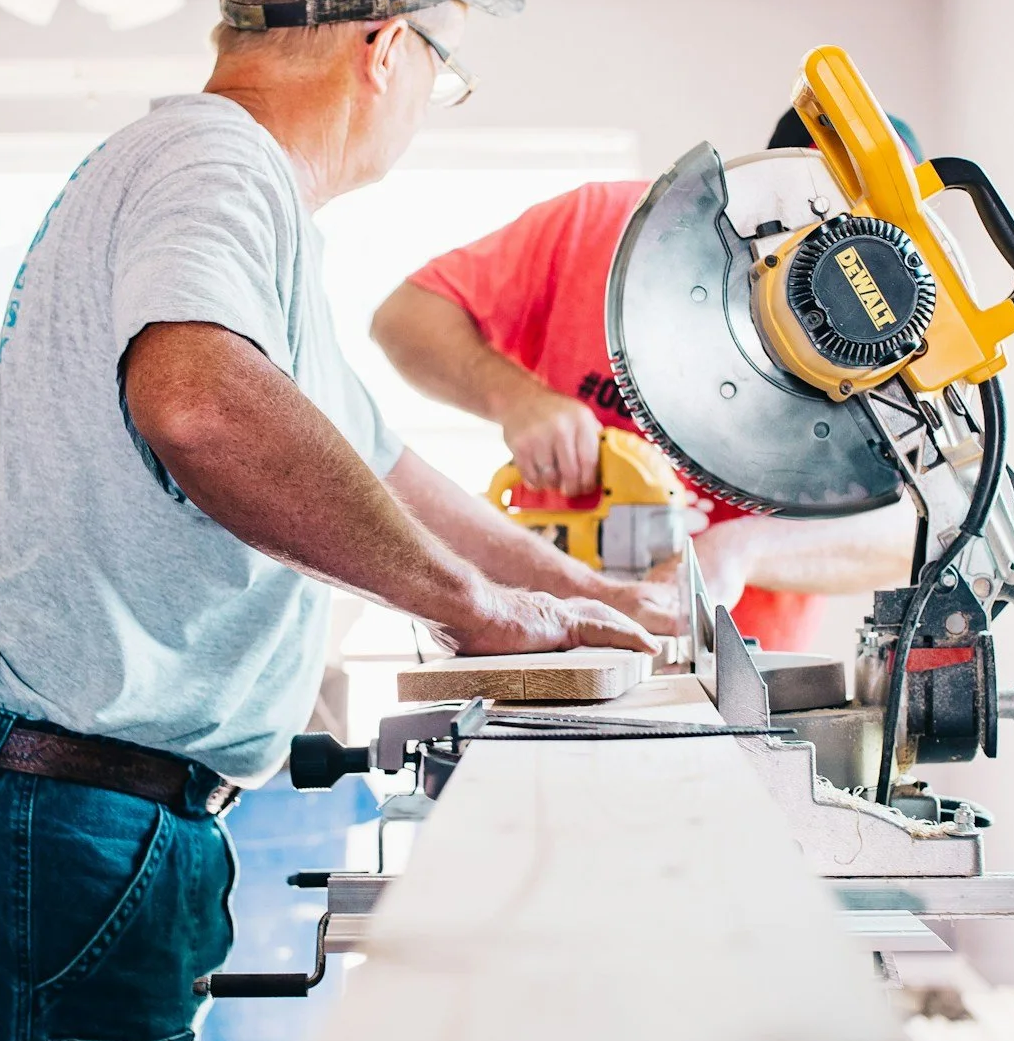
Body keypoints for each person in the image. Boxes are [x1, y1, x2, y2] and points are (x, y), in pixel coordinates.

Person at [0, 0, 666, 1041]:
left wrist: (573, 591)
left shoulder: (220, 196)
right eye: (441, 71)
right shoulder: (215, 164)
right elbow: (200, 400)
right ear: (387, 47)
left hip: (37, 810)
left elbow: (375, 455)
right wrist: (470, 607)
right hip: (58, 823)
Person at [370, 109, 926, 653]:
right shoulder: (600, 225)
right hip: (547, 636)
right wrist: (515, 397)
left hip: (741, 671)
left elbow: (919, 532)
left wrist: (744, 548)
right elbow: (405, 319)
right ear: (761, 180)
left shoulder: (891, 348)